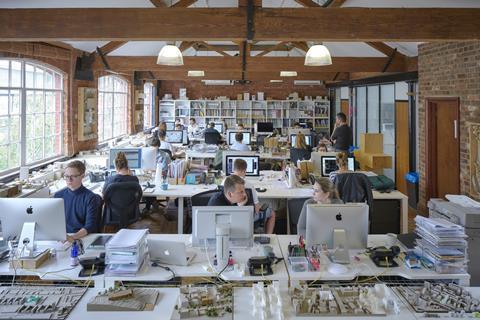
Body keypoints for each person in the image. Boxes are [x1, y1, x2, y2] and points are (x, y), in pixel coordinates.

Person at [54, 161, 102, 242]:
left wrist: (72, 237)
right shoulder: (58, 196)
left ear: (82, 176)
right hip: (63, 238)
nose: (69, 180)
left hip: (82, 237)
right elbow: (54, 221)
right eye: (66, 176)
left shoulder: (91, 198)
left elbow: (90, 226)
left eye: (73, 176)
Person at [232, 159, 276, 234]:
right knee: (272, 213)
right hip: (247, 217)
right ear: (244, 171)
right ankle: (268, 237)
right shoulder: (248, 185)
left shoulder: (224, 182)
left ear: (233, 169)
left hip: (232, 216)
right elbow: (257, 209)